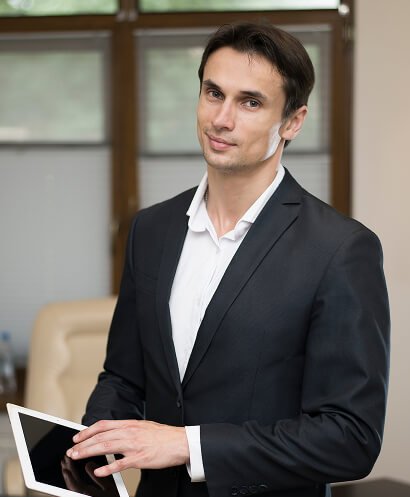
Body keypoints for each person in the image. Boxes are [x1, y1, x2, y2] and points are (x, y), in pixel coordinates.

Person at [66, 21, 390, 497]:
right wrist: (88, 452)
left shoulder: (341, 250)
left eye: (250, 102)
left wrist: (188, 446)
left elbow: (350, 438)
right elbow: (123, 378)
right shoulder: (151, 229)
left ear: (293, 121)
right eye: (213, 93)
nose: (221, 119)